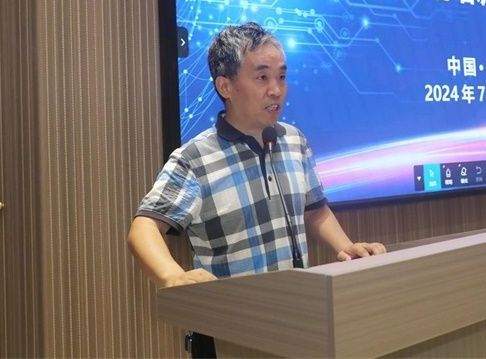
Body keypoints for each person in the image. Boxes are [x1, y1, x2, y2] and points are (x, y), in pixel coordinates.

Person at [127, 22, 386, 358]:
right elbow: (143, 228)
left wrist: (346, 247)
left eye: (282, 76)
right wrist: (172, 277)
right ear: (225, 86)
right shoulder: (195, 157)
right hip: (230, 333)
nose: (276, 90)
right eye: (262, 77)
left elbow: (315, 209)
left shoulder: (294, 141)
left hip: (296, 321)